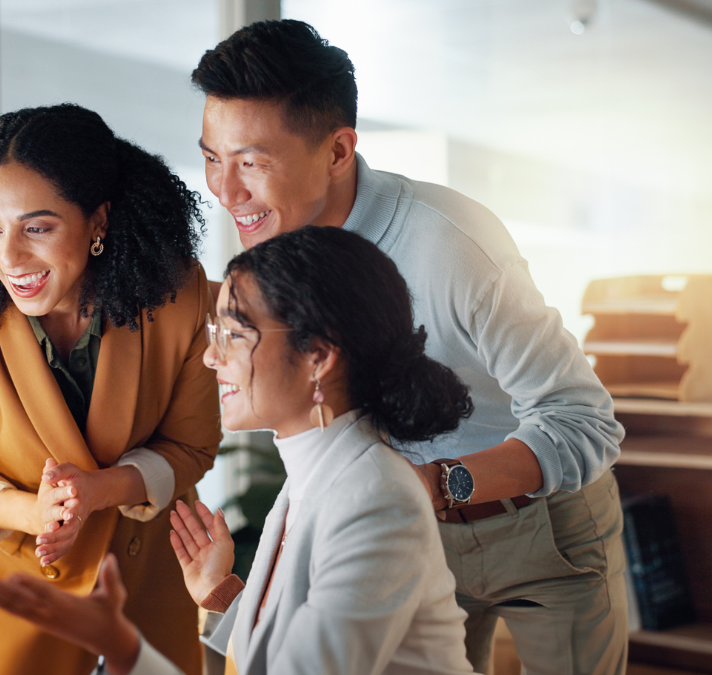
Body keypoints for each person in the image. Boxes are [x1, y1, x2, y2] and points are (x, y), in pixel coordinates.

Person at [191, 20, 627, 674]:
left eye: (251, 162)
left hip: (538, 524)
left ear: (338, 151)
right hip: (408, 525)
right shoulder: (277, 252)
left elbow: (584, 420)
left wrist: (441, 481)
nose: (224, 192)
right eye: (211, 158)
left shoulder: (452, 247)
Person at [0, 225, 480, 675]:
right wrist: (225, 595)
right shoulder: (321, 475)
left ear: (318, 356)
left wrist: (122, 647)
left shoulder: (374, 499)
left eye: (235, 334)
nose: (213, 357)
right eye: (217, 332)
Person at [0, 104, 219, 675]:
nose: (9, 257)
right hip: (11, 587)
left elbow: (190, 447)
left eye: (37, 228)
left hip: (141, 575)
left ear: (98, 222)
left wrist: (100, 490)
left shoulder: (179, 295)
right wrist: (35, 512)